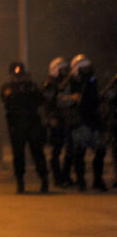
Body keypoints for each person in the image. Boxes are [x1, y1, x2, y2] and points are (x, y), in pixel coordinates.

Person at [58, 54, 107, 191]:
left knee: (100, 151)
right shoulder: (69, 83)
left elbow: (99, 96)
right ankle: (81, 181)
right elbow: (60, 100)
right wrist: (72, 98)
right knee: (79, 152)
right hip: (79, 121)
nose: (87, 71)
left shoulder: (92, 81)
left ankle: (98, 180)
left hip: (94, 120)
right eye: (84, 68)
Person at [0, 62, 49, 194]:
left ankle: (44, 180)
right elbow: (7, 100)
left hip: (32, 124)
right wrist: (19, 89)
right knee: (18, 155)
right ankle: (20, 183)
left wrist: (27, 87)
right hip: (16, 125)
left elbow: (40, 99)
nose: (18, 77)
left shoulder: (32, 86)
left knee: (37, 153)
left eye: (20, 75)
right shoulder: (7, 87)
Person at [42, 57, 72, 187]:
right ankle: (58, 178)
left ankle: (65, 176)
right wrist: (51, 118)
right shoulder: (49, 84)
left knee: (70, 149)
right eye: (62, 69)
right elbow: (48, 103)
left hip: (66, 119)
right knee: (56, 150)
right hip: (56, 120)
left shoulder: (65, 83)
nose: (65, 72)